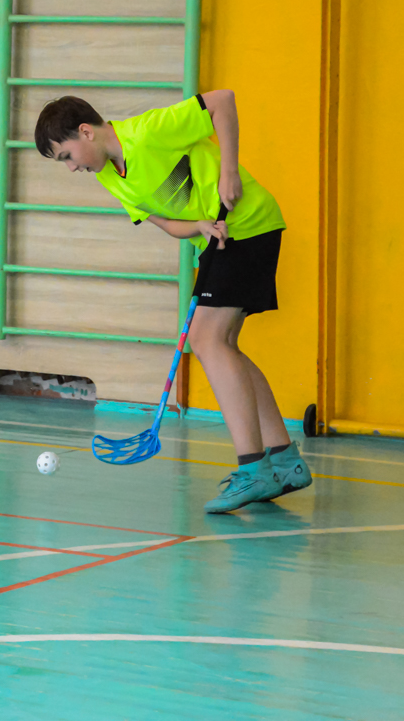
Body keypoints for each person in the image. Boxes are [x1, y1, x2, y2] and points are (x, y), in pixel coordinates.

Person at [35, 92, 311, 513]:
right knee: (222, 344)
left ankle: (254, 468)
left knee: (207, 340)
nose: (72, 167)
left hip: (249, 223)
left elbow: (222, 102)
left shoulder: (149, 132)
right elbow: (166, 223)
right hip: (219, 239)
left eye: (67, 156)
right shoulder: (110, 176)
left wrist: (229, 172)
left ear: (86, 132)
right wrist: (198, 224)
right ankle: (285, 459)